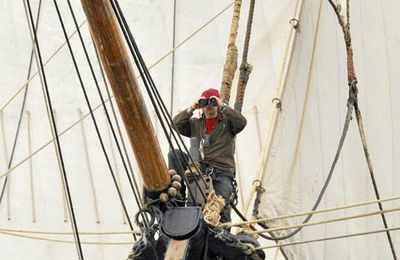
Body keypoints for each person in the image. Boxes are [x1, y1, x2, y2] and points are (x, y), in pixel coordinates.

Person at [169, 88, 247, 223]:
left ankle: (224, 235)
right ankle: (177, 199)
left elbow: (242, 122)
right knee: (174, 154)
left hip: (221, 171)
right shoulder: (196, 124)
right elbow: (175, 124)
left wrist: (222, 105)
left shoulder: (228, 123)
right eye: (206, 104)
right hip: (199, 168)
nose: (210, 108)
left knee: (221, 209)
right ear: (202, 107)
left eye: (213, 104)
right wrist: (192, 107)